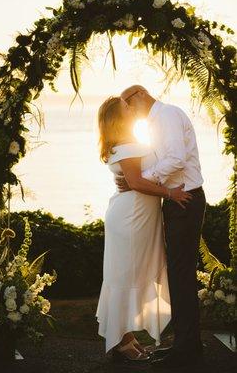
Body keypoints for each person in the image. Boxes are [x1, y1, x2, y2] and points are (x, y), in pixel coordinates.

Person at [95, 96, 192, 363]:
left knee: (130, 274)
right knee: (126, 276)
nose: (131, 107)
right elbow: (136, 182)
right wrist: (170, 193)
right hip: (132, 219)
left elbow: (136, 179)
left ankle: (127, 337)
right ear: (118, 116)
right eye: (126, 107)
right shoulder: (126, 146)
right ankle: (121, 341)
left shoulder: (122, 143)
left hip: (134, 216)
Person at [117, 85, 206, 368]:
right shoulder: (157, 122)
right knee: (179, 275)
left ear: (140, 95)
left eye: (127, 106)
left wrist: (143, 178)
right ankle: (185, 343)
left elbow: (176, 159)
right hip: (178, 200)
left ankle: (187, 349)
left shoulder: (166, 116)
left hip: (185, 200)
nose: (127, 112)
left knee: (182, 275)